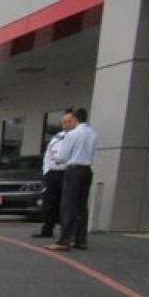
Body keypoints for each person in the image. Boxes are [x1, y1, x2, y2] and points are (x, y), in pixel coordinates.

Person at [46, 107, 97, 252]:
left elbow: (62, 156)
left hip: (74, 170)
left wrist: (54, 158)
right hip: (87, 170)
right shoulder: (93, 134)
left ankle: (64, 241)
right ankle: (81, 239)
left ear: (75, 118)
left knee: (68, 206)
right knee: (82, 206)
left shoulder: (72, 134)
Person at [32, 109, 73, 238]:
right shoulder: (57, 137)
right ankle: (47, 229)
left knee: (66, 205)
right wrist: (46, 171)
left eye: (68, 122)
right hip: (52, 174)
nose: (65, 124)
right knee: (49, 203)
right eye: (64, 122)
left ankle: (67, 233)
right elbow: (48, 155)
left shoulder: (76, 137)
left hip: (66, 174)